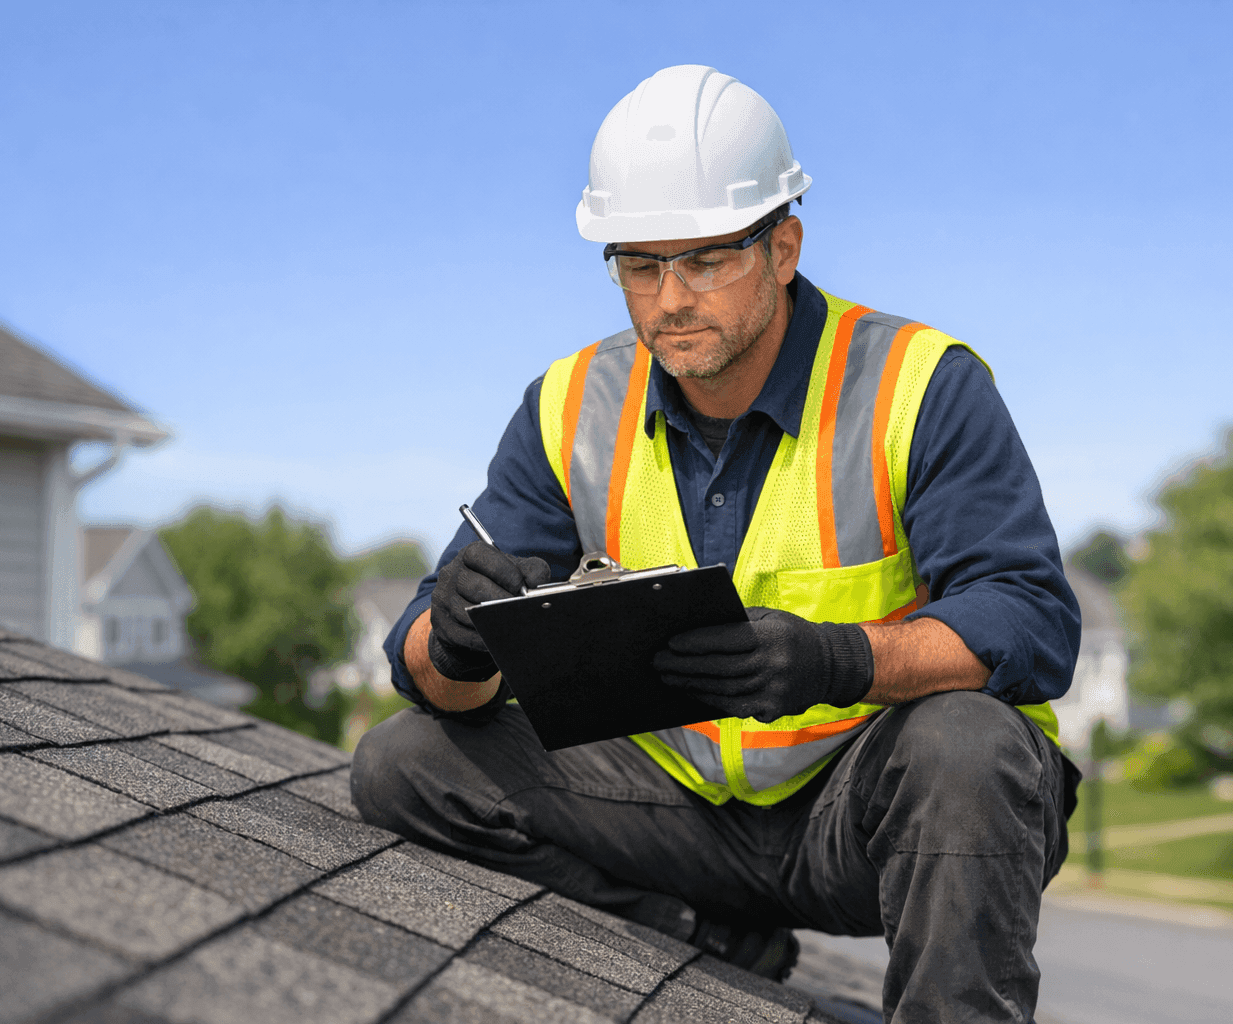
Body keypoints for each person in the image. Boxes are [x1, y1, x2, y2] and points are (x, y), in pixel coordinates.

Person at [352, 64, 1081, 1023]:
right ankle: (703, 939)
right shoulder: (570, 404)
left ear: (784, 247)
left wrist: (834, 658)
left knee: (969, 741)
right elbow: (431, 672)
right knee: (403, 761)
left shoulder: (920, 385)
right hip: (672, 817)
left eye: (703, 261)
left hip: (864, 823)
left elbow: (1029, 621)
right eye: (639, 265)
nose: (667, 299)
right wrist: (450, 643)